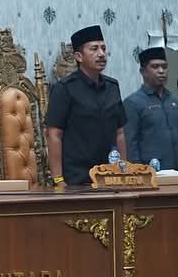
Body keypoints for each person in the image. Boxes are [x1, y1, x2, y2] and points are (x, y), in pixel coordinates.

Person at [45, 25, 127, 187]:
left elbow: (120, 133)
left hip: (110, 175)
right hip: (77, 178)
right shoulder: (65, 88)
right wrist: (58, 179)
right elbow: (54, 135)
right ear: (79, 56)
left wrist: (124, 171)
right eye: (94, 49)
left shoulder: (112, 86)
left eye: (103, 48)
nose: (101, 54)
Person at [122, 47, 178, 176]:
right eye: (155, 67)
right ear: (143, 71)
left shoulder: (176, 101)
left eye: (164, 67)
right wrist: (139, 176)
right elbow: (131, 145)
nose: (161, 71)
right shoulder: (133, 103)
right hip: (151, 174)